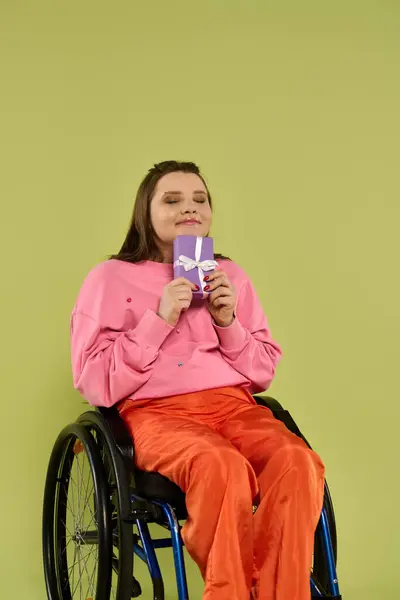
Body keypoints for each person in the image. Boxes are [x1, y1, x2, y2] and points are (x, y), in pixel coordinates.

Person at [70, 160, 325, 600]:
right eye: (172, 200)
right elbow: (94, 382)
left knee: (298, 461)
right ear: (144, 212)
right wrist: (160, 318)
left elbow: (262, 371)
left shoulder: (231, 275)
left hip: (234, 406)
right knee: (220, 464)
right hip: (155, 414)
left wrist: (228, 321)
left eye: (199, 199)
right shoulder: (109, 278)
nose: (190, 208)